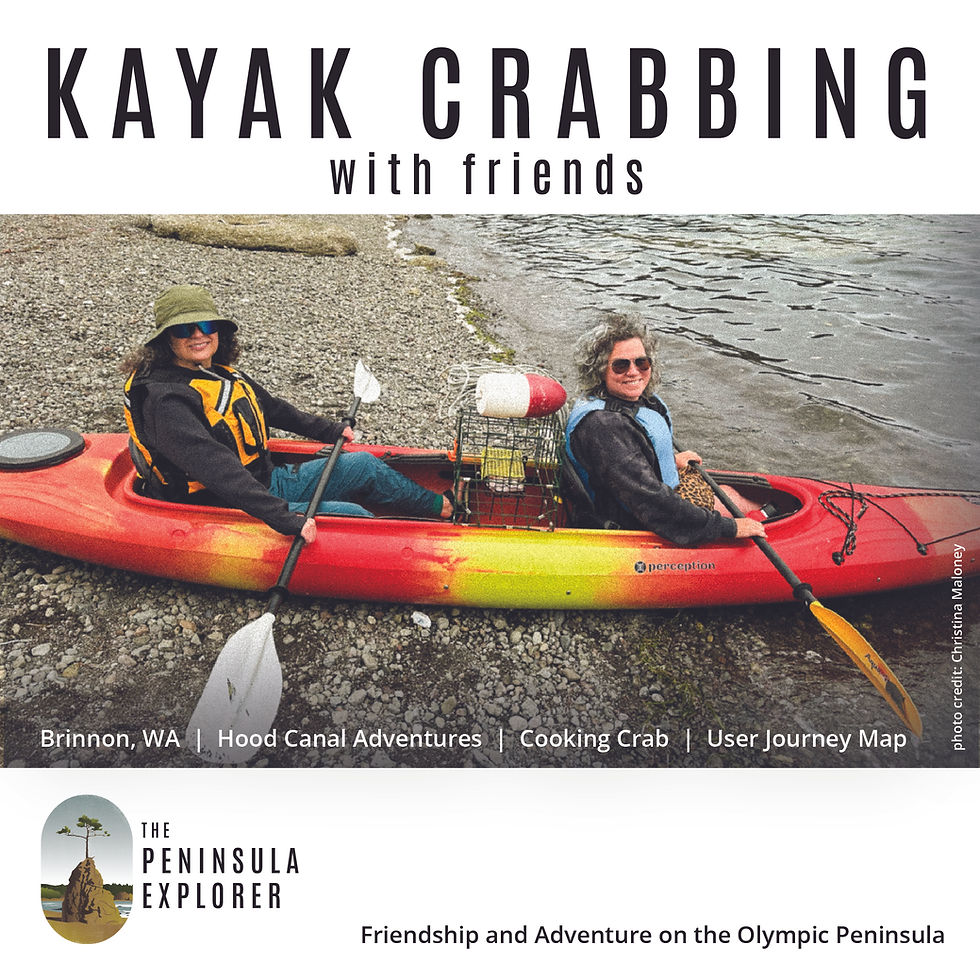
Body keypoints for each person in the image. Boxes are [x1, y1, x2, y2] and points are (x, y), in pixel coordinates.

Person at [122, 284, 451, 544]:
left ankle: (443, 508)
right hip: (221, 503)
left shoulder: (217, 373)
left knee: (363, 464)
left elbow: (272, 407)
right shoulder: (164, 402)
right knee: (352, 516)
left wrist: (329, 430)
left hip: (264, 480)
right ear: (166, 339)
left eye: (205, 325)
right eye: (184, 330)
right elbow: (216, 470)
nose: (198, 335)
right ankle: (423, 541)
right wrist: (282, 518)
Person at [563, 313, 767, 546]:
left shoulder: (626, 401)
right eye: (620, 365)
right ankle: (769, 523)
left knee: (731, 494)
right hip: (632, 520)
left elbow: (630, 458)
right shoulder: (604, 426)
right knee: (734, 503)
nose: (634, 372)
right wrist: (728, 528)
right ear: (599, 369)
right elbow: (649, 501)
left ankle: (764, 518)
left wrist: (670, 461)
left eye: (641, 362)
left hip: (643, 497)